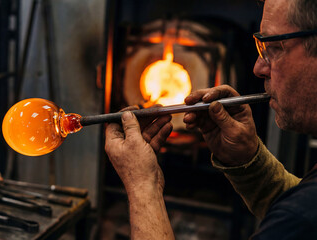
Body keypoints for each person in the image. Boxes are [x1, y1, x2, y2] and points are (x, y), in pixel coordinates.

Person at [104, 0, 317, 239]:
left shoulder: (301, 217)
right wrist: (250, 163)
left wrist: (143, 185)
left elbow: (299, 216)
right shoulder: (303, 211)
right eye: (261, 48)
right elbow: (297, 204)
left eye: (275, 47)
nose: (259, 68)